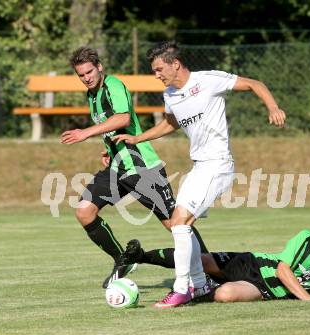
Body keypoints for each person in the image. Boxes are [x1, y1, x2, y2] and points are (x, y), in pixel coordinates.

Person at [112, 41, 286, 308]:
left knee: (180, 222)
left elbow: (254, 84)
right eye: (154, 71)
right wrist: (137, 138)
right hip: (199, 166)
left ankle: (183, 289)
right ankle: (199, 283)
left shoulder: (209, 80)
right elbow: (170, 123)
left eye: (159, 69)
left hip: (218, 165)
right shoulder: (170, 95)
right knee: (178, 223)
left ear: (175, 64)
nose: (157, 75)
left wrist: (273, 107)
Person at [61, 46, 207, 289]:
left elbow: (123, 118)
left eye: (89, 72)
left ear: (99, 67)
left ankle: (208, 267)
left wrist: (85, 133)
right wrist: (108, 150)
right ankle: (122, 259)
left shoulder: (113, 86)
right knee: (84, 211)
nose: (86, 78)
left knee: (176, 225)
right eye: (81, 75)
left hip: (141, 168)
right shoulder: (92, 95)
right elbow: (113, 128)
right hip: (117, 168)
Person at [122, 216, 310, 302]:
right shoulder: (307, 238)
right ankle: (142, 256)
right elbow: (282, 269)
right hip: (254, 264)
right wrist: (308, 298)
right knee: (201, 258)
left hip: (264, 290)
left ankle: (196, 290)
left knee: (226, 295)